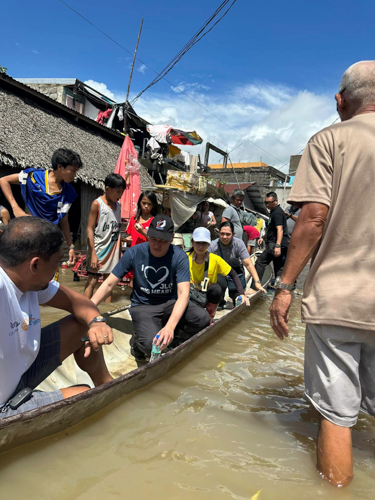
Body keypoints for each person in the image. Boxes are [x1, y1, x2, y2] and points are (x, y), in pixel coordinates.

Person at [269, 61, 375, 488]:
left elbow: (312, 217)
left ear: (340, 100)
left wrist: (285, 286)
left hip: (339, 299)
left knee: (336, 415)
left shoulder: (329, 140)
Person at [0, 217, 113, 418]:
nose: (58, 271)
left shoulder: (27, 279)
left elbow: (79, 303)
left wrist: (97, 322)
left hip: (20, 372)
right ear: (35, 265)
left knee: (84, 325)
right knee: (85, 397)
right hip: (2, 404)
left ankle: (109, 385)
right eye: (57, 263)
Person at [91, 215, 210, 361]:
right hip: (143, 306)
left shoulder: (179, 256)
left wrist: (170, 328)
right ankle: (137, 343)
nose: (157, 245)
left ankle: (174, 337)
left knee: (203, 319)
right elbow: (109, 284)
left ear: (172, 238)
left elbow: (183, 294)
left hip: (170, 304)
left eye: (163, 241)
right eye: (153, 239)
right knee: (150, 345)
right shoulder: (134, 253)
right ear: (148, 234)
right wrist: (88, 308)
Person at [0, 148, 82, 264]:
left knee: (48, 275)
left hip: (50, 237)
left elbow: (64, 220)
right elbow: (4, 181)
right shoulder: (34, 177)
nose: (75, 175)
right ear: (59, 167)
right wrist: (15, 207)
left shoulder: (68, 192)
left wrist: (71, 246)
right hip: (29, 234)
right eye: (72, 170)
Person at [189, 227, 250, 319]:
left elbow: (233, 274)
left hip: (206, 295)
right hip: (189, 296)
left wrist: (241, 293)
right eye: (198, 243)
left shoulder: (215, 259)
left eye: (204, 243)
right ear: (192, 242)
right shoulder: (184, 258)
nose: (201, 247)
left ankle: (209, 317)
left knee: (216, 288)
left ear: (209, 244)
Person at [84, 173, 126, 301]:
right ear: (107, 189)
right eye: (118, 192)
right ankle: (84, 311)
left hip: (113, 249)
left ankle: (107, 310)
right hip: (99, 248)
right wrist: (93, 253)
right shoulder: (97, 204)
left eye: (122, 192)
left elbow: (116, 228)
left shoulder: (118, 206)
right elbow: (90, 229)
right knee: (93, 280)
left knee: (109, 282)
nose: (120, 195)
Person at [208, 221, 266, 305]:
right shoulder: (213, 246)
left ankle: (237, 298)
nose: (224, 237)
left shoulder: (239, 244)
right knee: (219, 285)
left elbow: (248, 264)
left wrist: (257, 282)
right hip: (220, 273)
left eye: (228, 234)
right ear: (218, 233)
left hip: (235, 271)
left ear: (233, 234)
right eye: (222, 234)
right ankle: (219, 301)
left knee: (238, 294)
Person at [251, 192, 289, 289]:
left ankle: (255, 287)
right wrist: (262, 238)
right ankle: (281, 289)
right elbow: (272, 230)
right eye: (266, 203)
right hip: (279, 243)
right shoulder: (274, 212)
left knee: (260, 262)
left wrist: (277, 246)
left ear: (276, 201)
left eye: (269, 203)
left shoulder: (277, 213)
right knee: (279, 267)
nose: (267, 205)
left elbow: (279, 230)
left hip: (276, 244)